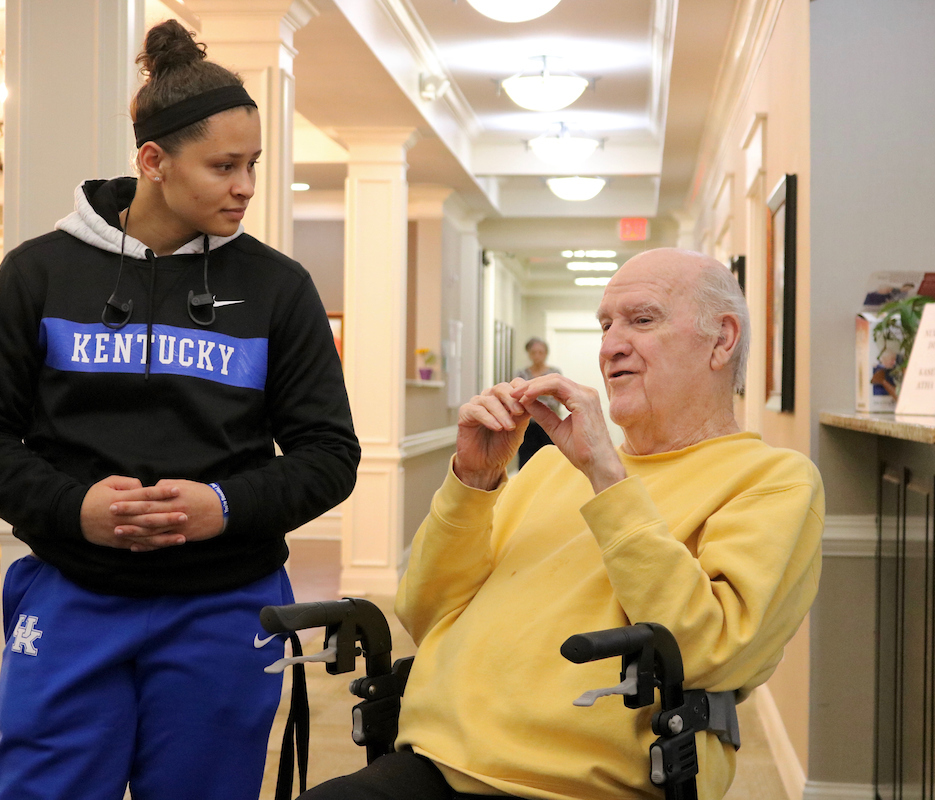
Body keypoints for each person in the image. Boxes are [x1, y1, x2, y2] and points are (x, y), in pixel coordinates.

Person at [0, 20, 359, 800]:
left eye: (253, 165)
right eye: (224, 166)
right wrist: (75, 508)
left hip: (227, 605)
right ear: (153, 162)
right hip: (71, 595)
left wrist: (224, 506)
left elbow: (330, 455)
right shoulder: (37, 273)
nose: (245, 186)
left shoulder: (279, 288)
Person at [300, 248, 823, 800]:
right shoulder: (549, 466)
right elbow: (424, 612)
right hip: (433, 759)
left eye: (642, 320)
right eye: (606, 324)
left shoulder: (772, 480)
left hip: (575, 786)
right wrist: (472, 483)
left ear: (721, 339)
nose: (611, 345)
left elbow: (712, 650)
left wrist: (607, 476)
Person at [514, 336, 561, 467]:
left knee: (549, 462)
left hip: (549, 426)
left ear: (546, 354)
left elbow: (556, 400)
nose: (537, 356)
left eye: (541, 352)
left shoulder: (554, 373)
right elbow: (518, 399)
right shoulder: (521, 374)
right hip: (527, 426)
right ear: (529, 354)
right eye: (534, 352)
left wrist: (532, 402)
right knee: (526, 461)